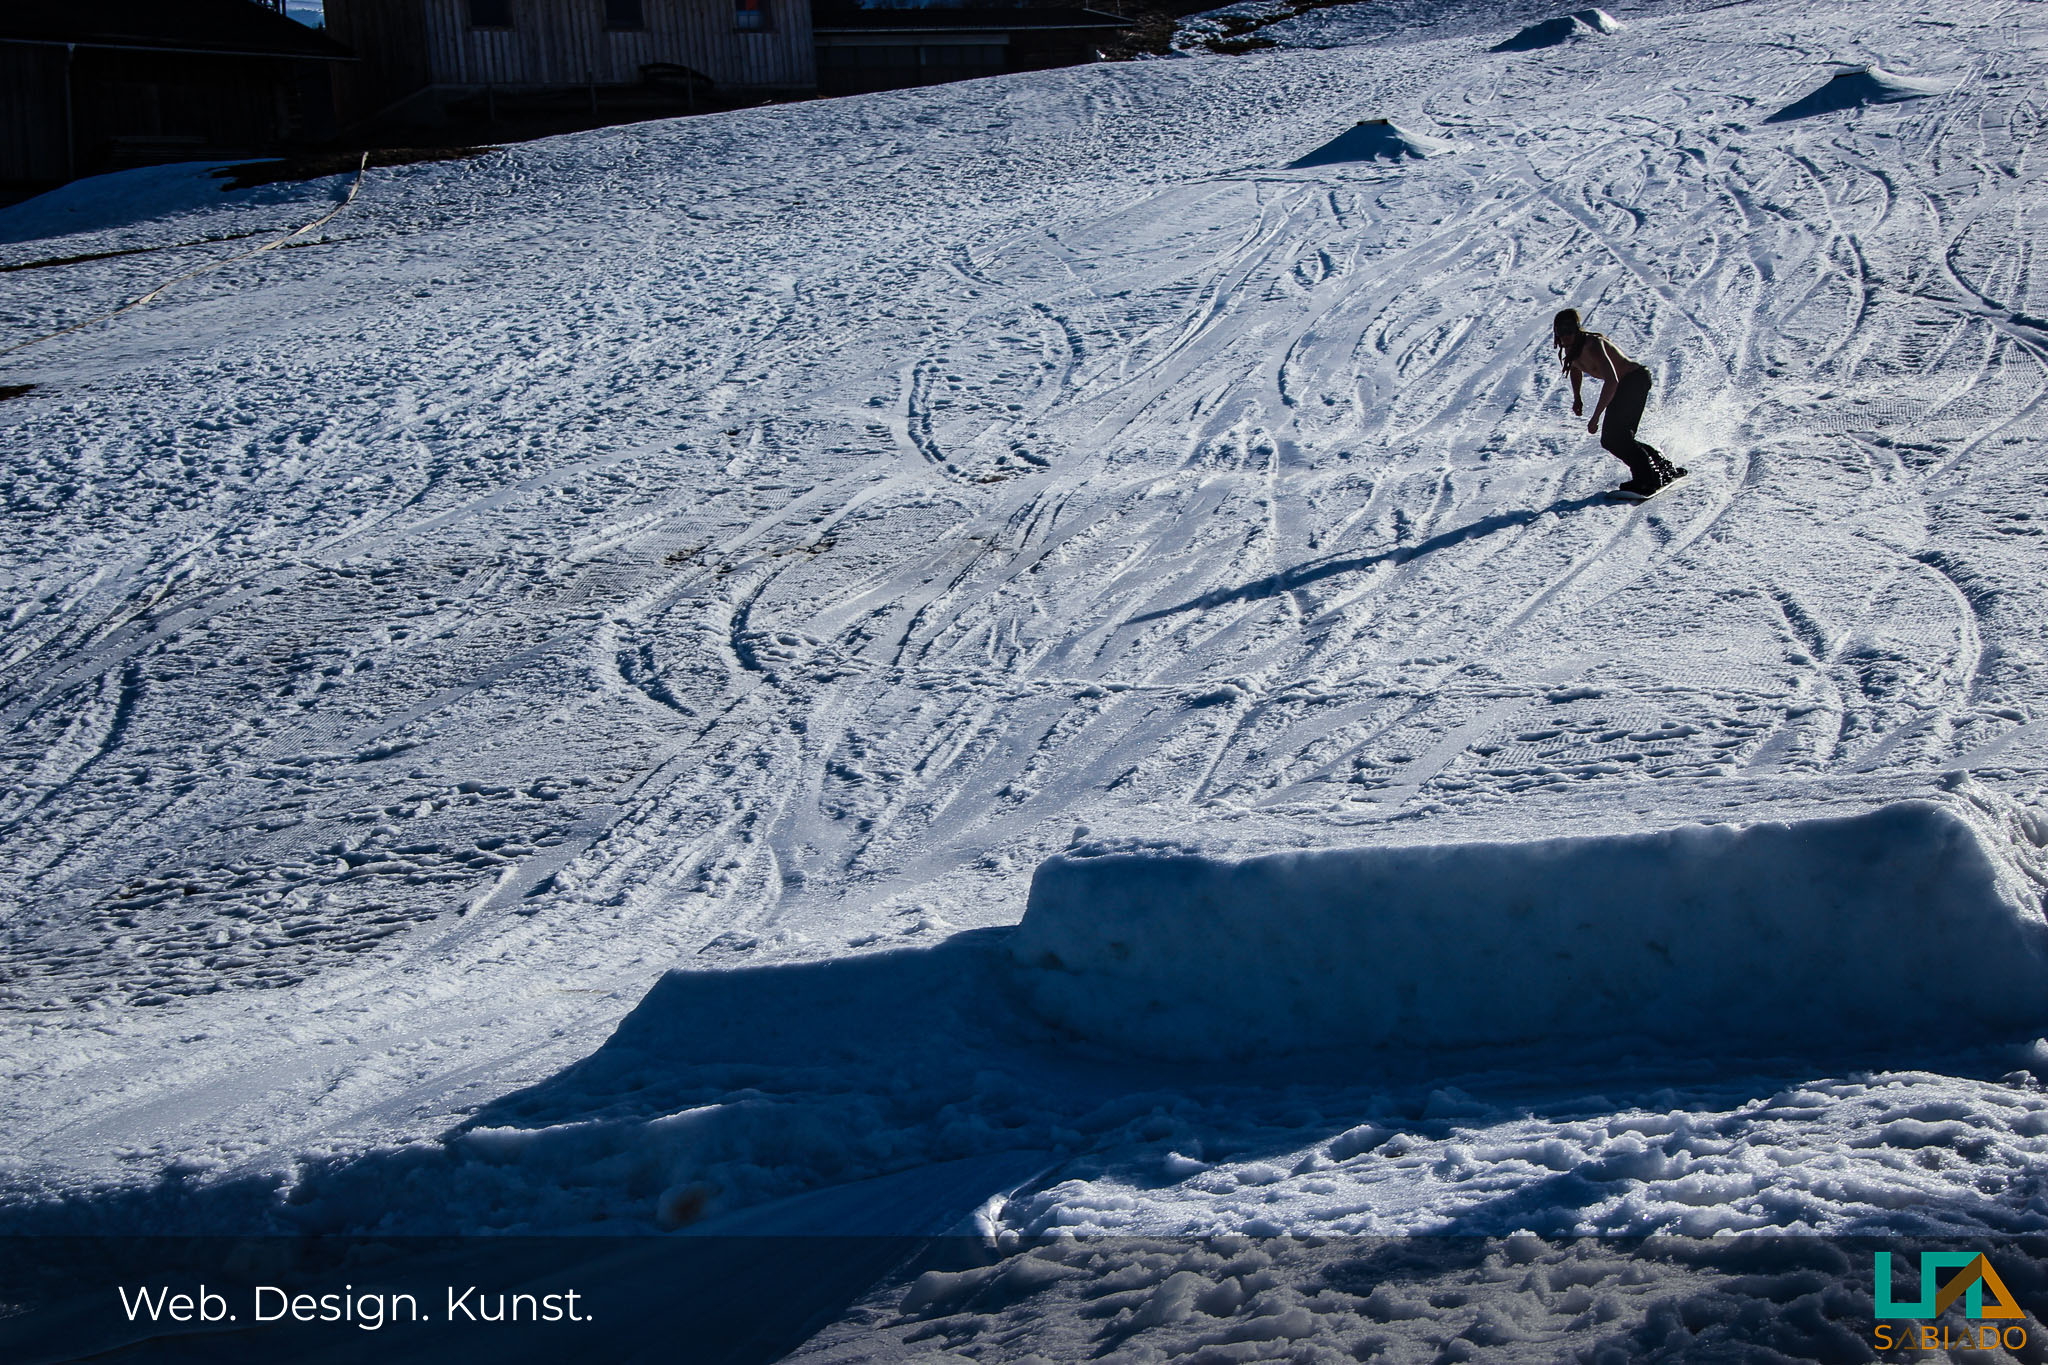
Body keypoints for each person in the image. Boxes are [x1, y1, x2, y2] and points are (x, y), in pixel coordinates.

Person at [1552, 309, 1683, 496]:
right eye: (1561, 331)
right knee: (1613, 439)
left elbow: (1612, 381)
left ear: (1577, 329)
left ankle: (1647, 479)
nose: (1565, 335)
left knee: (1616, 437)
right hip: (1625, 385)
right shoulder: (1570, 349)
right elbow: (1575, 369)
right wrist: (1577, 397)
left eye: (1569, 330)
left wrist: (1596, 417)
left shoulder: (1593, 344)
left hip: (1634, 380)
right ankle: (1662, 467)